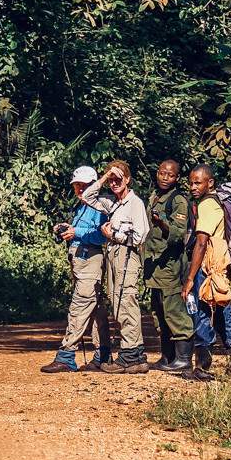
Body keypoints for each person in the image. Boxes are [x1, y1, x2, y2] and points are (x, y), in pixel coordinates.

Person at [82, 160, 151, 374]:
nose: (114, 183)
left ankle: (129, 355)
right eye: (111, 180)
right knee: (117, 301)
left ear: (128, 180)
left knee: (125, 302)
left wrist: (113, 235)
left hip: (127, 256)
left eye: (118, 179)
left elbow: (140, 236)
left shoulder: (135, 203)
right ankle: (136, 356)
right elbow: (87, 196)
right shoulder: (112, 203)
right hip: (114, 254)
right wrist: (103, 177)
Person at [41, 166, 111, 373]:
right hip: (80, 261)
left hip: (90, 259)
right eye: (77, 185)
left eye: (84, 185)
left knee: (80, 306)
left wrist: (76, 232)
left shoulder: (99, 206)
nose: (79, 189)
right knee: (95, 308)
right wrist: (65, 229)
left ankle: (66, 355)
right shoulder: (81, 207)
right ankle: (103, 355)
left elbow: (101, 235)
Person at [181, 164, 231, 381]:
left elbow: (201, 242)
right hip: (219, 265)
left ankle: (203, 367)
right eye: (191, 182)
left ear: (210, 183)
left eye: (198, 182)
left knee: (203, 312)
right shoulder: (215, 202)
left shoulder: (208, 204)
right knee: (220, 308)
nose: (193, 187)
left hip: (208, 267)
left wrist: (190, 278)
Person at [143, 160, 195, 371]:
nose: (165, 177)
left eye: (170, 175)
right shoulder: (154, 196)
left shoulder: (178, 200)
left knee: (174, 310)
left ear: (177, 178)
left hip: (170, 265)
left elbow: (177, 234)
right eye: (162, 173)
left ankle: (183, 359)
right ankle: (167, 356)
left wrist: (162, 223)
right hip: (154, 266)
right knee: (159, 311)